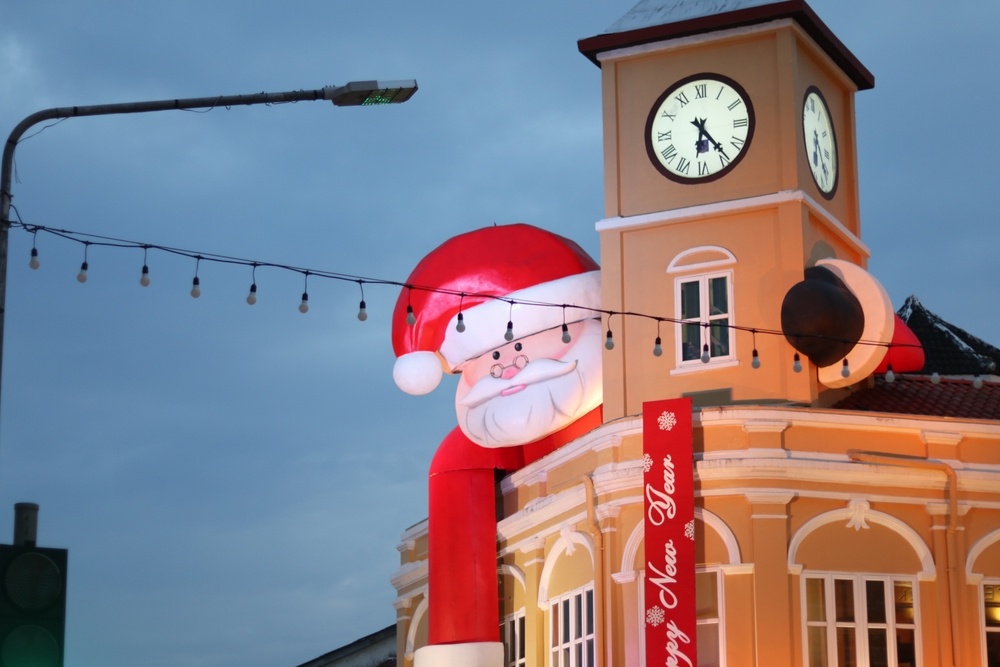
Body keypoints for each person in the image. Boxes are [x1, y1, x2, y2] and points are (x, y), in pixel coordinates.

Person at [391, 223, 604, 667]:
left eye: (520, 343)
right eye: (489, 357)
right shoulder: (468, 450)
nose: (509, 367)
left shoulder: (621, 412)